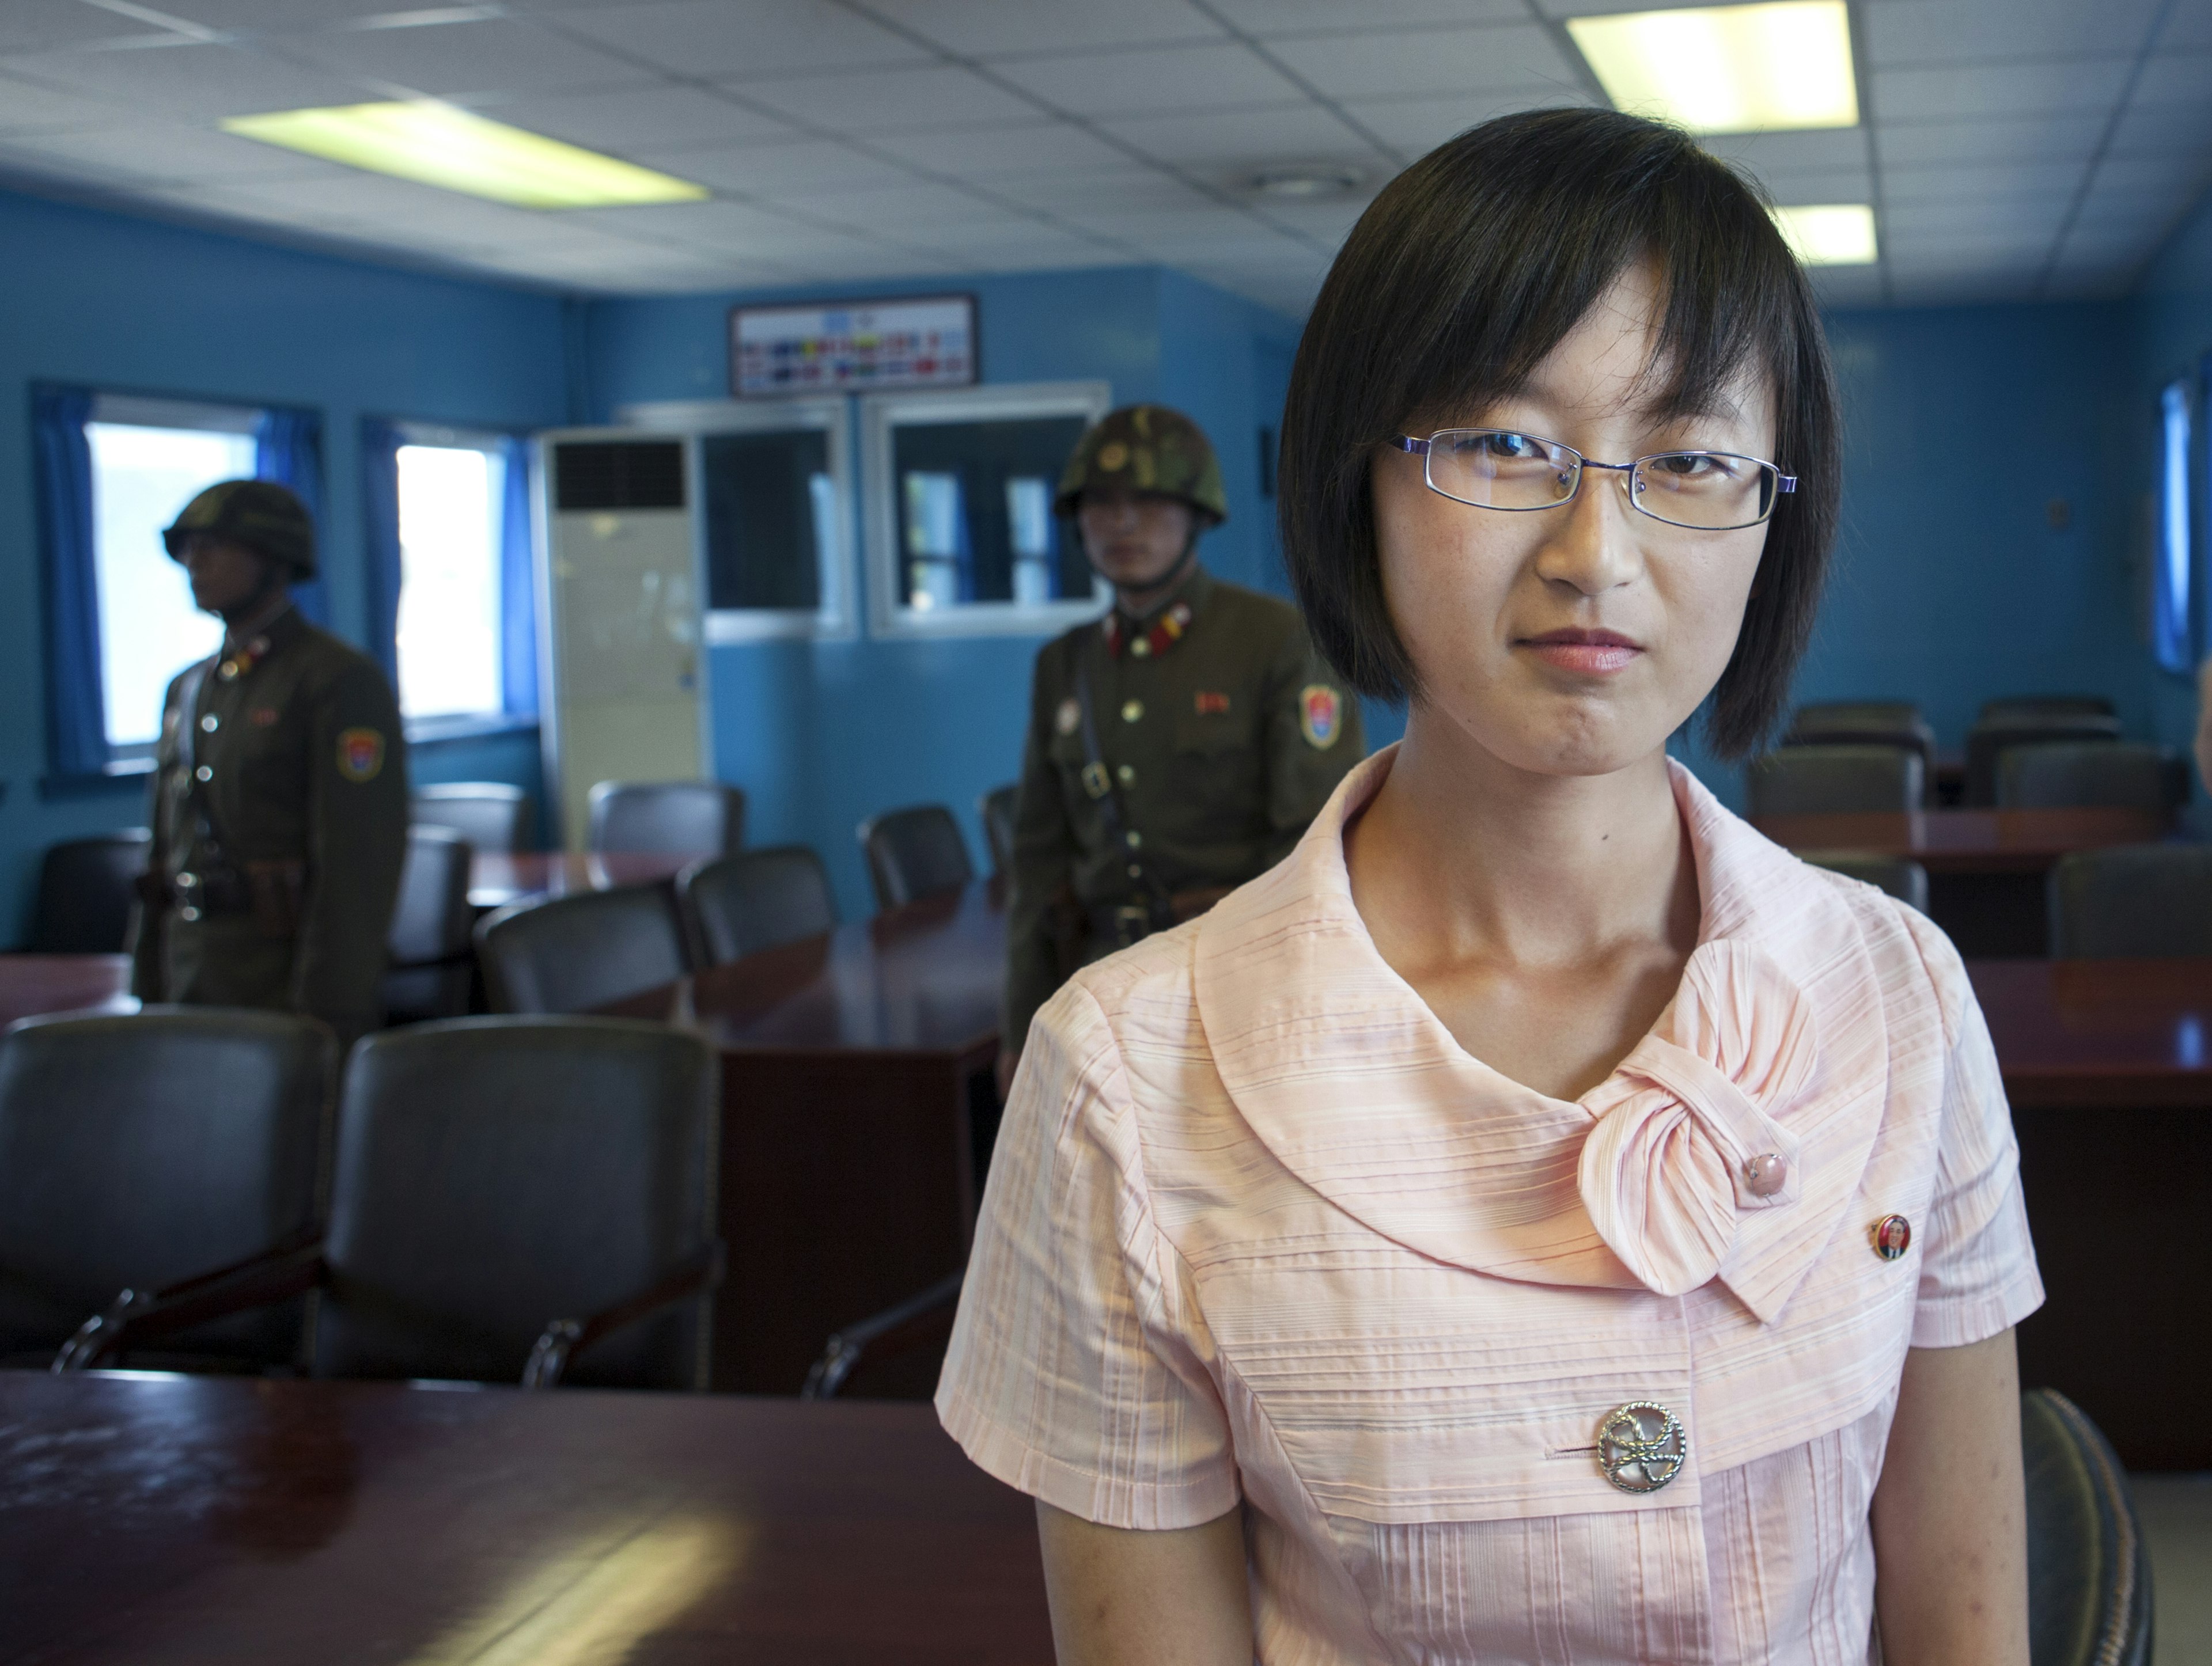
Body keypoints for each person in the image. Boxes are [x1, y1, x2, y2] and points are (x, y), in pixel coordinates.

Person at [938, 109, 2039, 1665]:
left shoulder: (1902, 990)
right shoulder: (1122, 1078)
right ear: (1356, 484)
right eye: (1504, 443)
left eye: (1693, 457)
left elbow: (1961, 1621)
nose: (1598, 550)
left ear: (1772, 512)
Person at [999, 403, 1364, 1094]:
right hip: (1099, 991)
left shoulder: (1276, 640)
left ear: (1197, 513)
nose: (1123, 522)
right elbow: (1038, 865)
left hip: (1237, 984)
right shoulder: (1064, 665)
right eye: (1101, 504)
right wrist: (1022, 1027)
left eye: (1150, 501)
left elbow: (1314, 846)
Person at [132, 480, 409, 1050]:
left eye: (216, 545)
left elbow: (357, 859)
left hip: (281, 977)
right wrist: (149, 976)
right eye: (188, 548)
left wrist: (330, 1004)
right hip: (191, 966)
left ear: (273, 558)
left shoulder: (333, 678)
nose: (195, 562)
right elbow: (165, 849)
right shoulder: (189, 688)